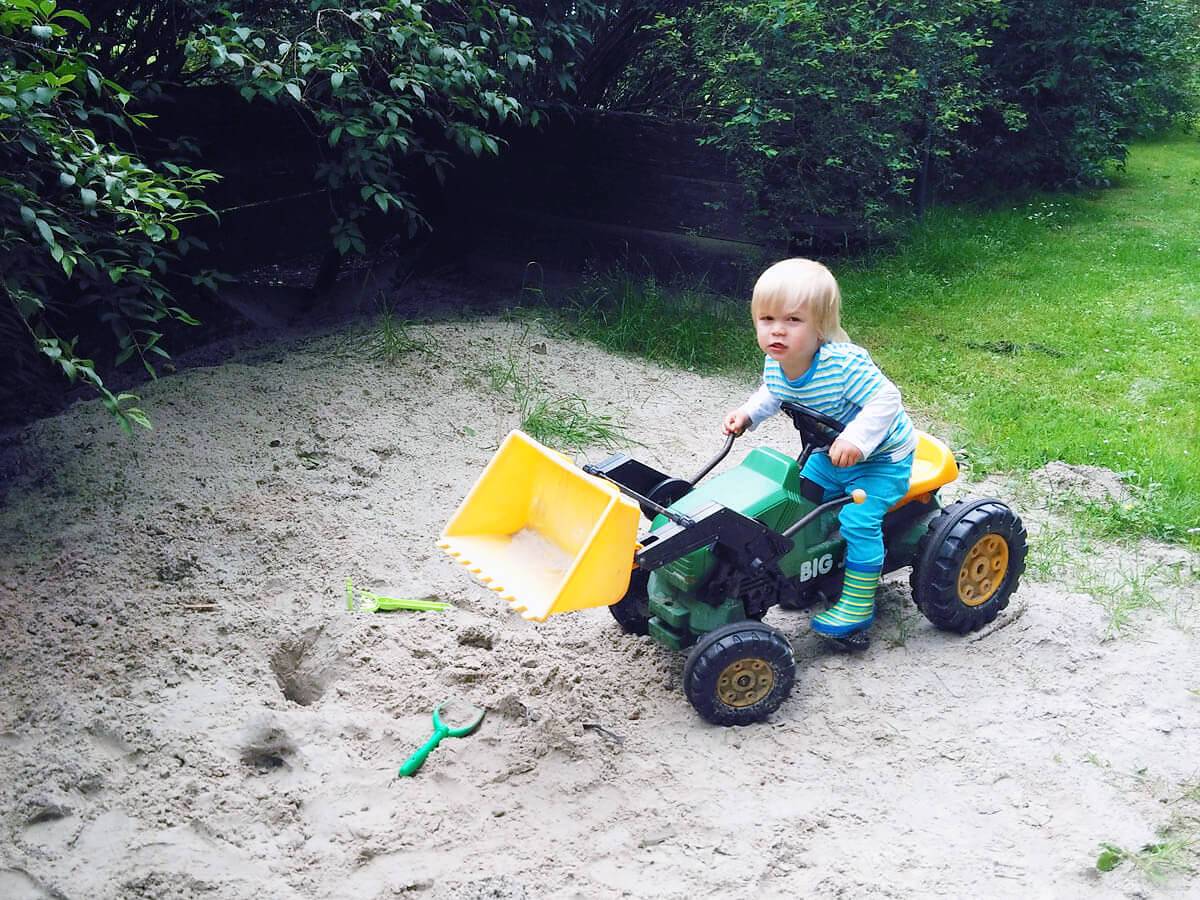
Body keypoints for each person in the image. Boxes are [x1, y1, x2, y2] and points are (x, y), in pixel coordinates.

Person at [723, 258, 916, 638]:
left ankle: (858, 602)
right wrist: (747, 414)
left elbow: (886, 399)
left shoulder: (842, 365)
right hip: (830, 455)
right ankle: (807, 571)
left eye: (793, 320)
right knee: (796, 502)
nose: (778, 330)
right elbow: (772, 392)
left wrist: (856, 439)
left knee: (859, 521)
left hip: (881, 460)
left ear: (820, 327)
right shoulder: (778, 363)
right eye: (767, 319)